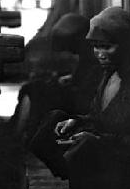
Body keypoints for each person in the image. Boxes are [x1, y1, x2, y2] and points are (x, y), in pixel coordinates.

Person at [29, 6, 130, 189]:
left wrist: (98, 140)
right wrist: (78, 121)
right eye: (96, 47)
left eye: (107, 47)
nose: (99, 53)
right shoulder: (110, 73)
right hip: (107, 145)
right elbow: (97, 116)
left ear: (127, 45)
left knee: (84, 148)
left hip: (126, 164)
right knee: (52, 122)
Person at [11, 13, 102, 144]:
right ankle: (22, 132)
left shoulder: (92, 55)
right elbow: (82, 78)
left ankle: (26, 135)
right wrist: (68, 80)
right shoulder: (89, 52)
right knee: (33, 88)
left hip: (81, 101)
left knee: (35, 91)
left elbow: (86, 89)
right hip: (78, 95)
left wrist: (64, 85)